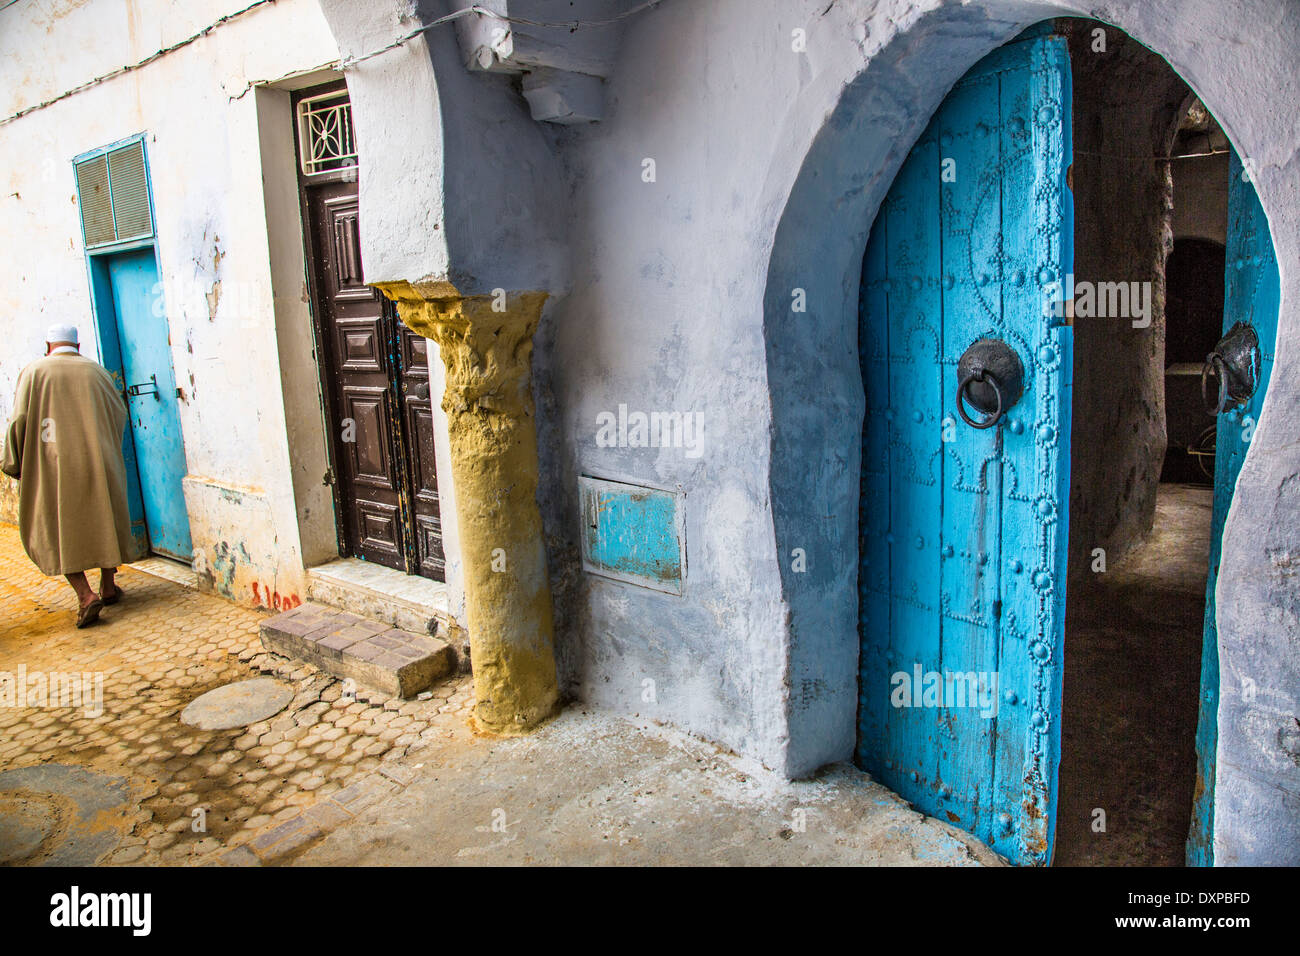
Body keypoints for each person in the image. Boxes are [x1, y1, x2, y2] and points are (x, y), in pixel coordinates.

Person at [2, 323, 133, 627]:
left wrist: (13, 462)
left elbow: (19, 420)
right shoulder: (97, 372)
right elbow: (118, 414)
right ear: (78, 345)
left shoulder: (35, 372)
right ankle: (109, 586)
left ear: (48, 345)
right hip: (99, 459)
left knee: (57, 528)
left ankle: (86, 595)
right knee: (105, 517)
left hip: (54, 466)